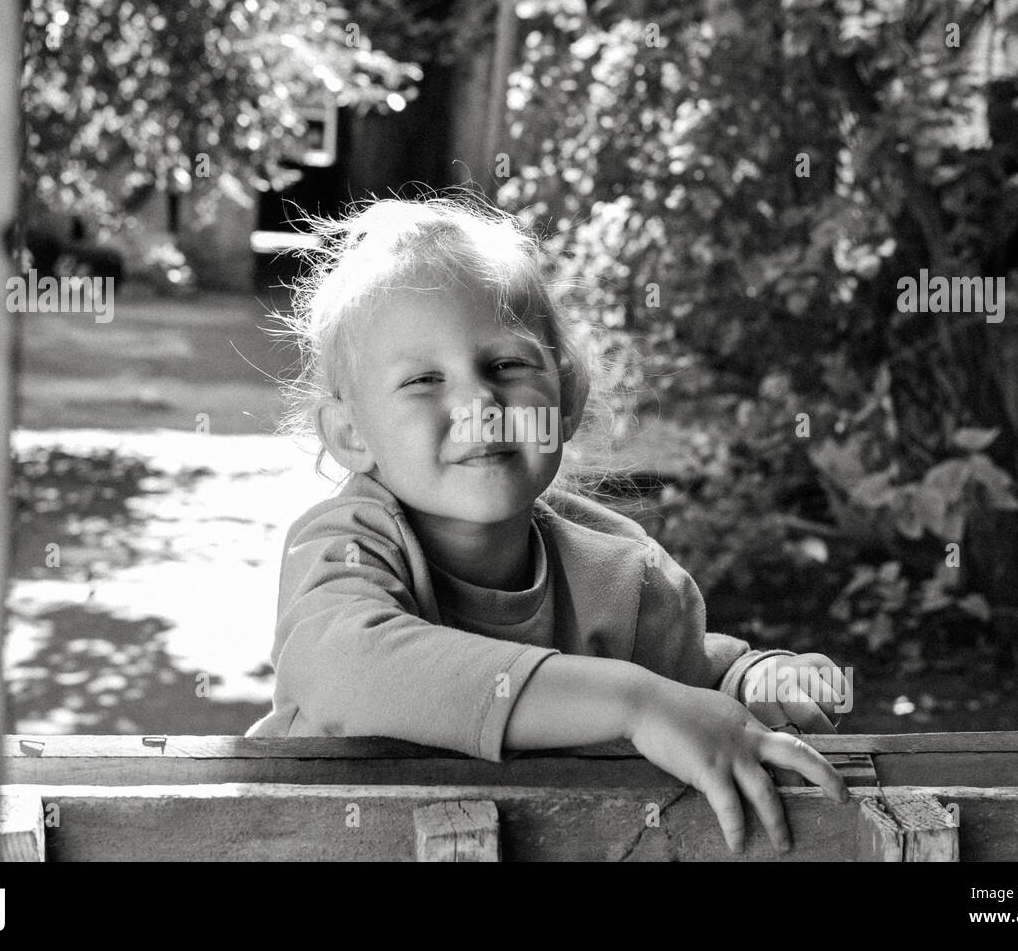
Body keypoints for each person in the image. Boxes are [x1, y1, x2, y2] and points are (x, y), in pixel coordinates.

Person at [246, 197, 852, 854]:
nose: (478, 402)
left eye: (506, 365)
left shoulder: (624, 575)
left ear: (566, 399)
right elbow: (348, 671)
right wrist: (634, 704)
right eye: (423, 379)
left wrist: (756, 683)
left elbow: (694, 677)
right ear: (350, 435)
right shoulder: (349, 544)